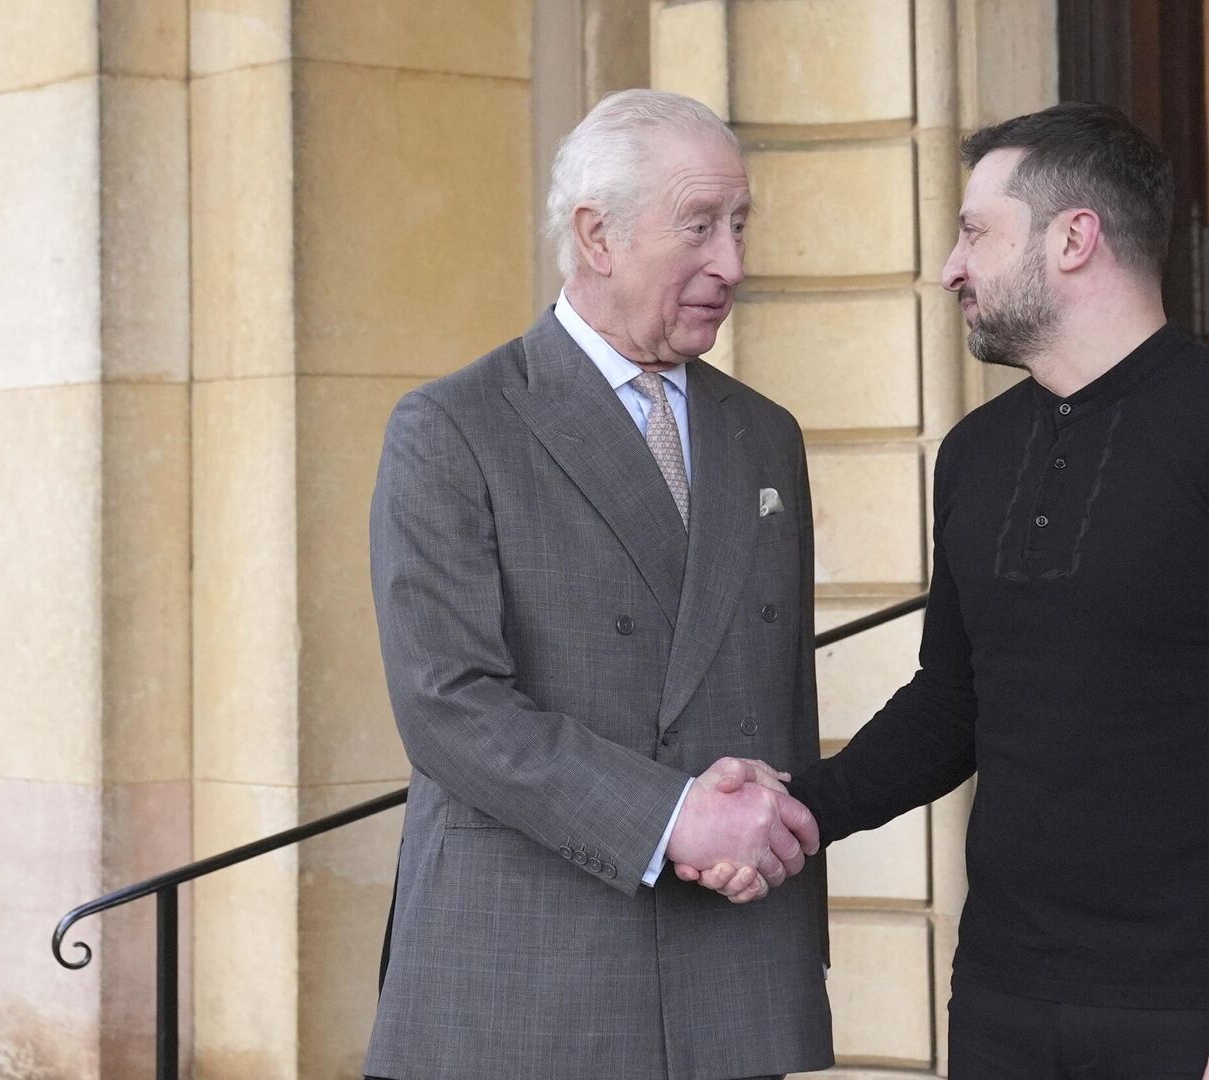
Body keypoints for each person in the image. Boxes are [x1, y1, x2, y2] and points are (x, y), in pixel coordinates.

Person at [686, 102, 1209, 1080]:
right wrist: (799, 810)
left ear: (1073, 238)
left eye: (975, 232)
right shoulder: (976, 454)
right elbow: (954, 702)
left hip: (1202, 1009)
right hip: (1000, 999)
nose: (951, 268)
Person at [362, 88, 832, 1080]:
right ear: (597, 236)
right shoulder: (454, 427)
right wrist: (672, 817)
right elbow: (448, 706)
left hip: (733, 982)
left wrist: (764, 840)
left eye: (740, 225)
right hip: (529, 990)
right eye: (699, 226)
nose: (732, 264)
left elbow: (781, 702)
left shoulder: (767, 435)